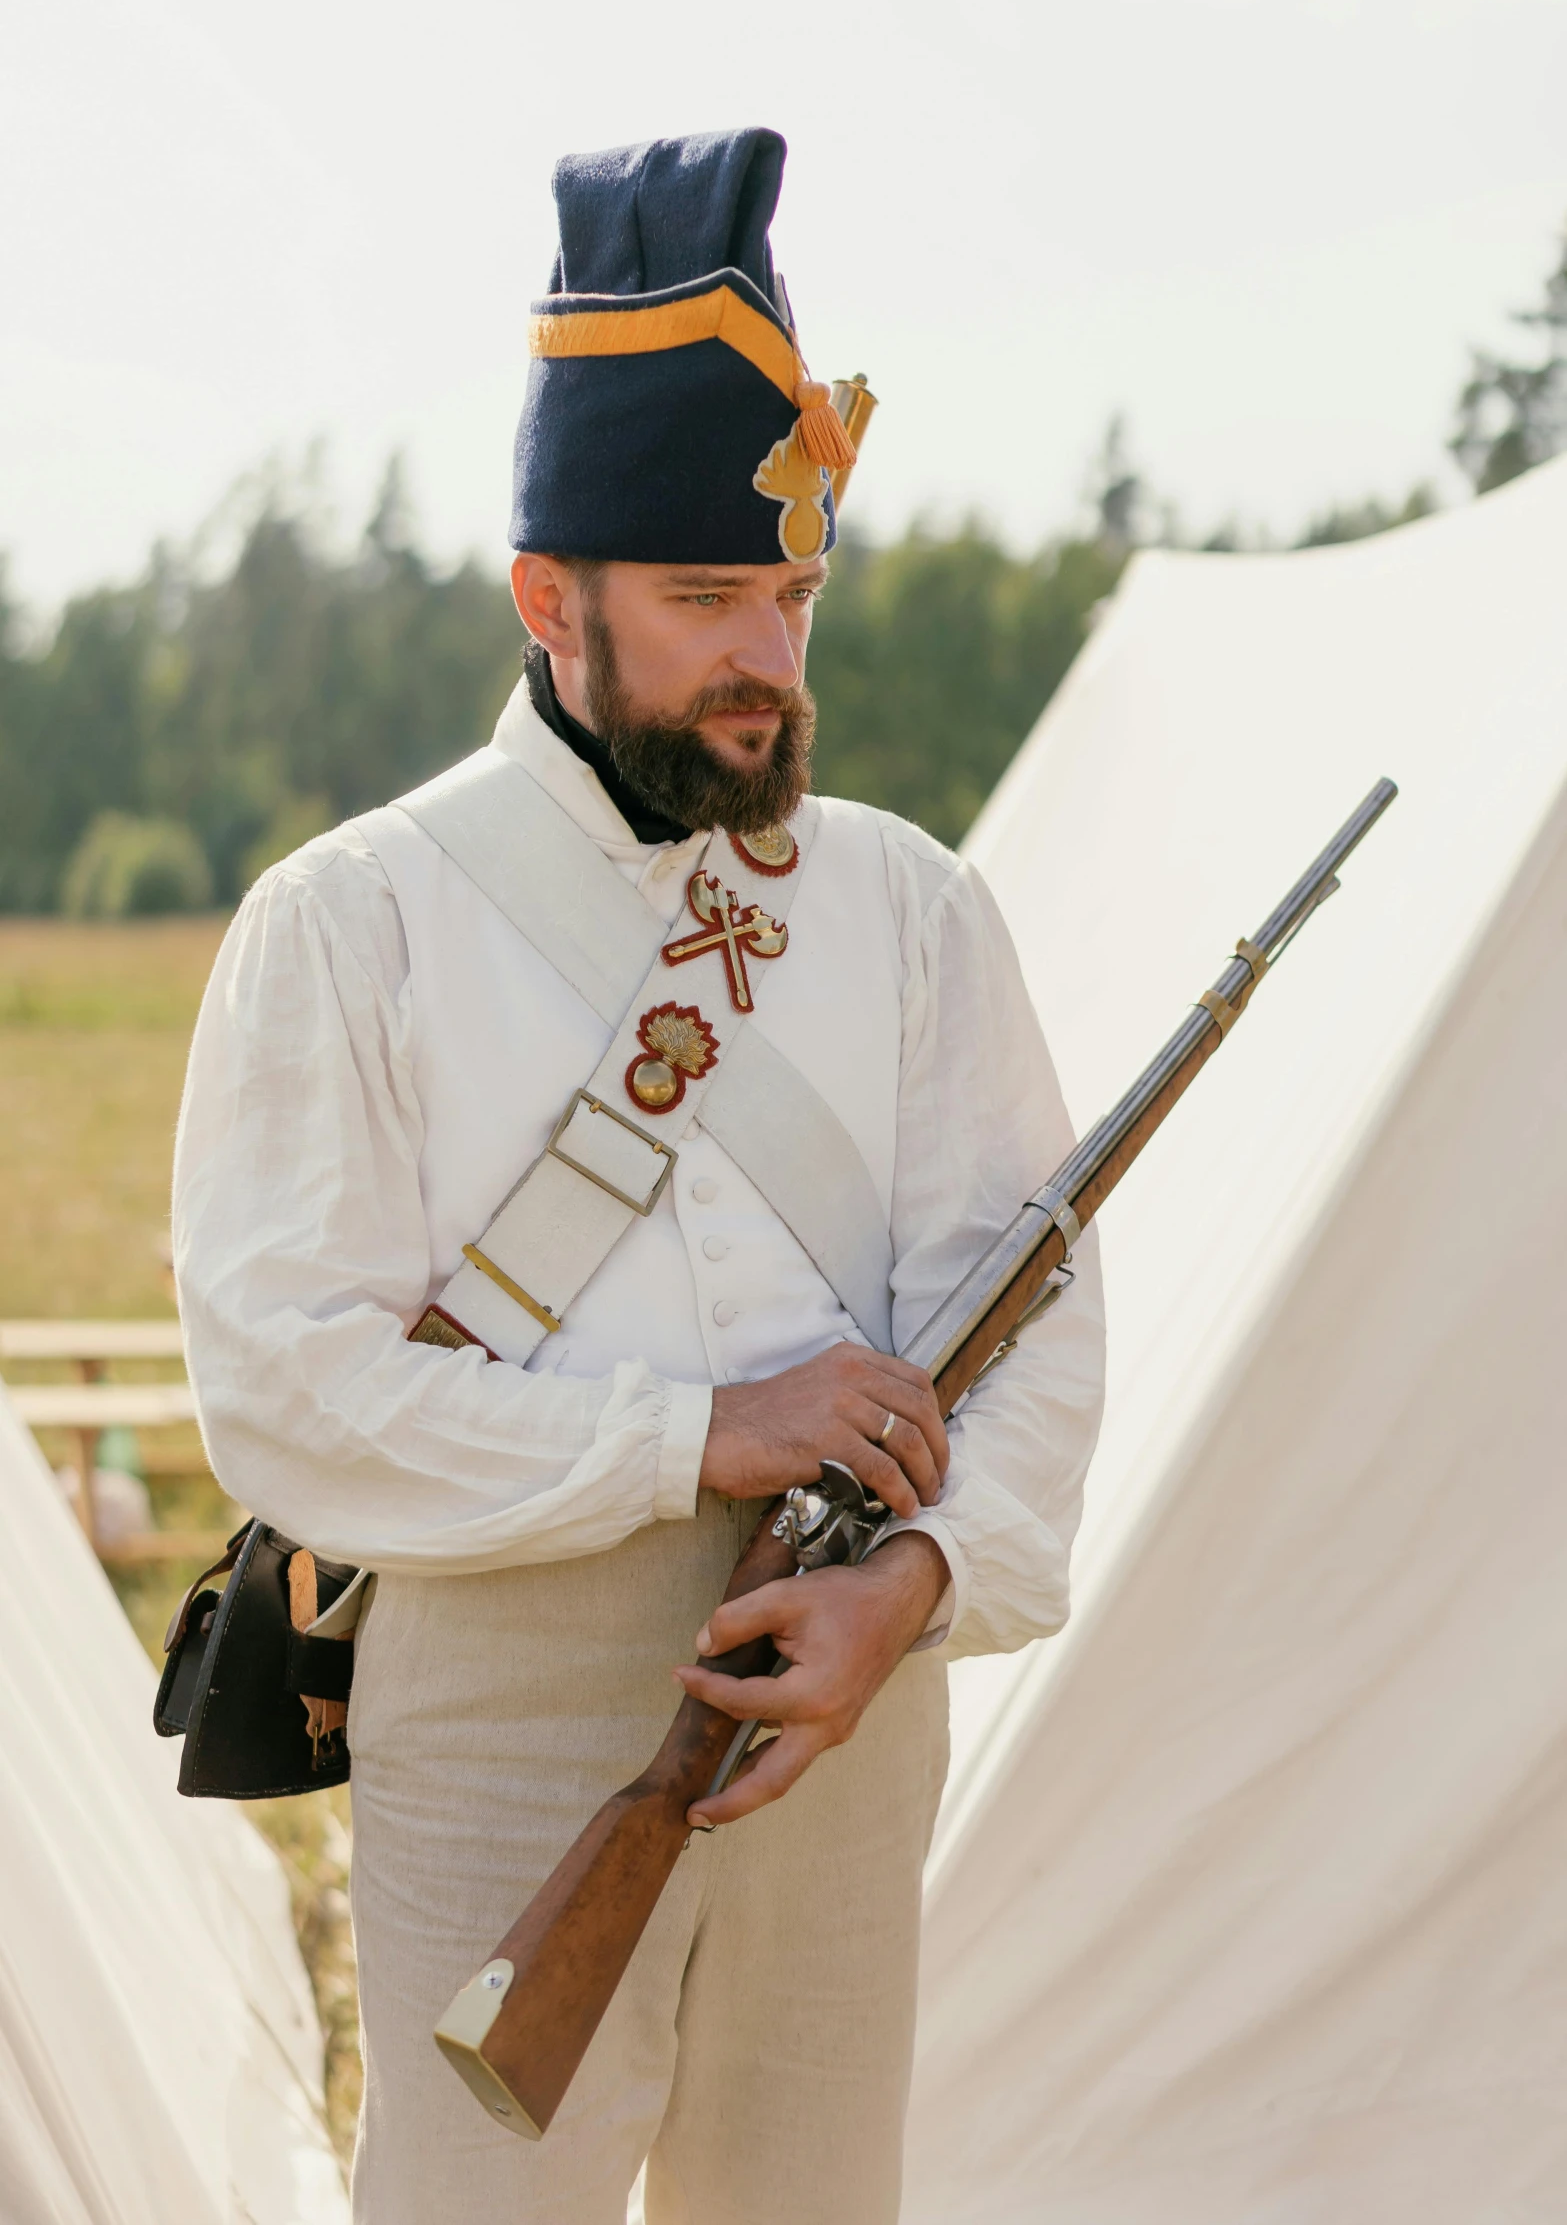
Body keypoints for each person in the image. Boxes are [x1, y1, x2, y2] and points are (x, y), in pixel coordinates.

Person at [172, 125, 1106, 2225]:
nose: (767, 653)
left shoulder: (913, 907)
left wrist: (920, 1583)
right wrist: (698, 1433)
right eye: (705, 597)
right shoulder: (351, 924)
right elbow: (286, 1390)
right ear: (547, 600)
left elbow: (1041, 1308)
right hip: (501, 1679)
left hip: (842, 1695)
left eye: (790, 590)